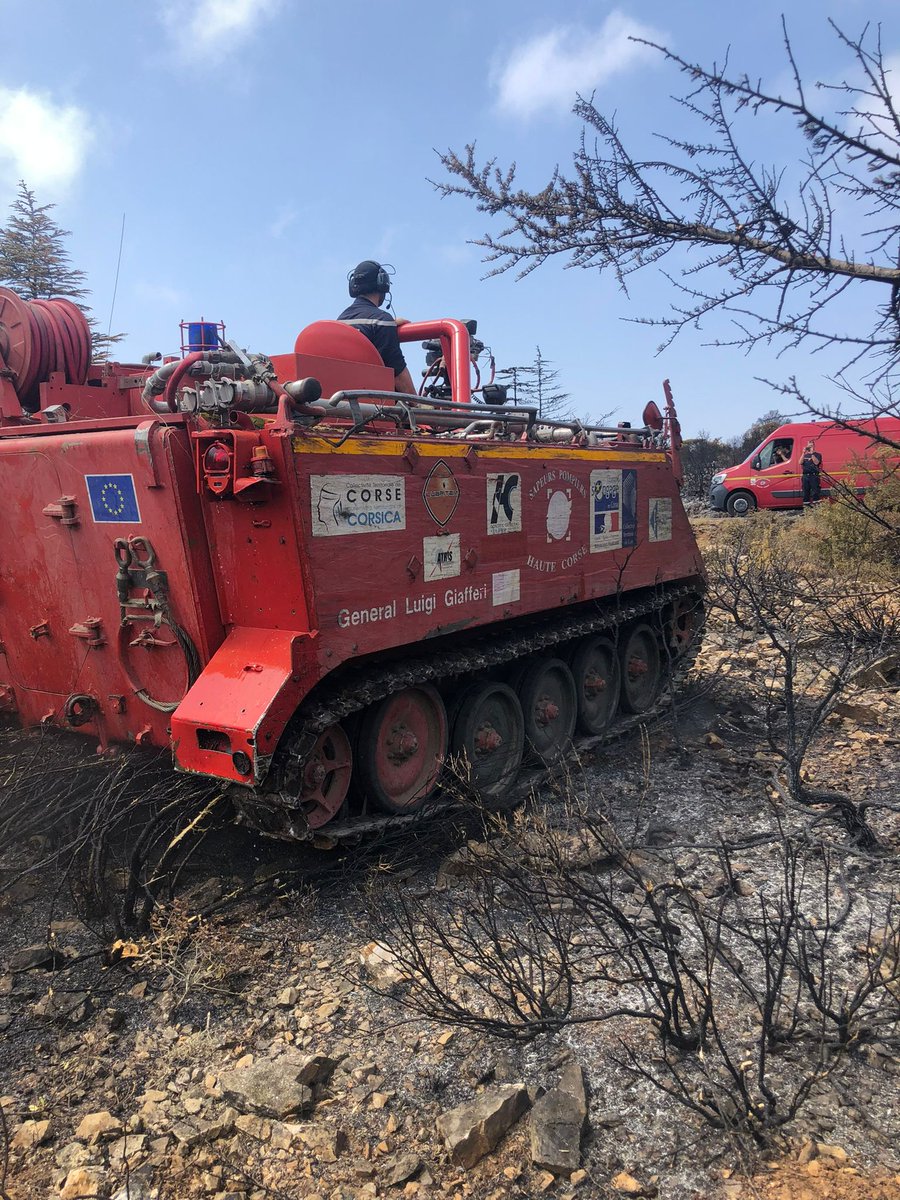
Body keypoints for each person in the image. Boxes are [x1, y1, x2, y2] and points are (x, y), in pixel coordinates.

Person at [337, 261, 416, 395]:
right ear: (382, 284)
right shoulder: (381, 321)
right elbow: (398, 375)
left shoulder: (339, 323)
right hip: (373, 407)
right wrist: (419, 405)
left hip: (340, 403)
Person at [800, 440, 823, 504]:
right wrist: (803, 453)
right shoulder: (805, 455)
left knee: (815, 492)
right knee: (805, 492)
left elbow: (816, 463)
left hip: (814, 476)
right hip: (805, 476)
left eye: (811, 445)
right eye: (809, 446)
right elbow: (800, 462)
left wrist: (812, 453)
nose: (810, 447)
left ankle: (816, 507)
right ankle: (807, 506)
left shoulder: (818, 454)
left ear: (814, 446)